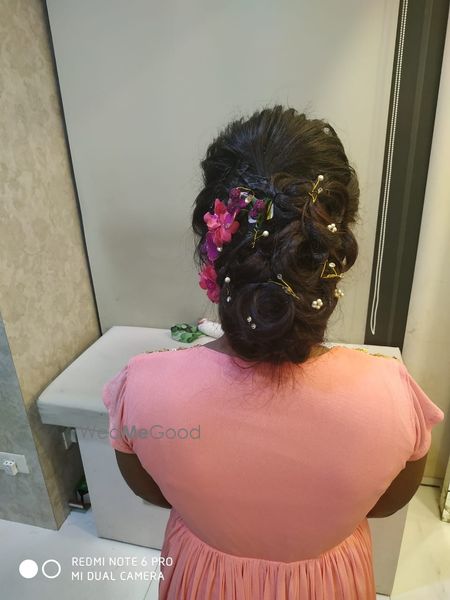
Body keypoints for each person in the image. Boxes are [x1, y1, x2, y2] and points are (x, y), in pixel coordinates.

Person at [102, 105, 445, 599]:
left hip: (205, 581)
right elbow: (387, 503)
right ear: (330, 252)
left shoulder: (143, 387)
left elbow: (153, 492)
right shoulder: (391, 397)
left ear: (213, 248)